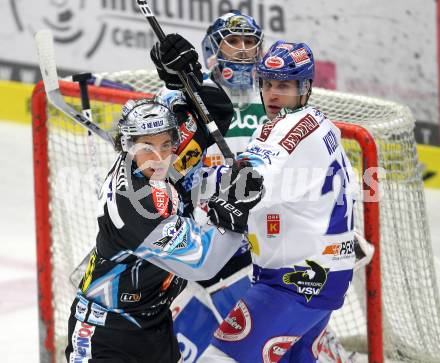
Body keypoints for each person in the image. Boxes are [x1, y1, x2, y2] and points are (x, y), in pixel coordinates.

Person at [64, 94, 264, 360]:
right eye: (147, 146)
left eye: (166, 144)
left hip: (154, 326)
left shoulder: (143, 170)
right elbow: (204, 263)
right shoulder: (135, 204)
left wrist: (185, 89)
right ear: (128, 145)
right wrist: (236, 211)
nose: (158, 157)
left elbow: (215, 110)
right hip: (105, 332)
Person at [196, 40, 357, 362]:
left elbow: (256, 173)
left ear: (305, 87)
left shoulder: (286, 129)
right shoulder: (320, 123)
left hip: (294, 283)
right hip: (323, 274)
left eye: (283, 85)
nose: (272, 94)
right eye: (267, 84)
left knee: (220, 358)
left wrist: (225, 193)